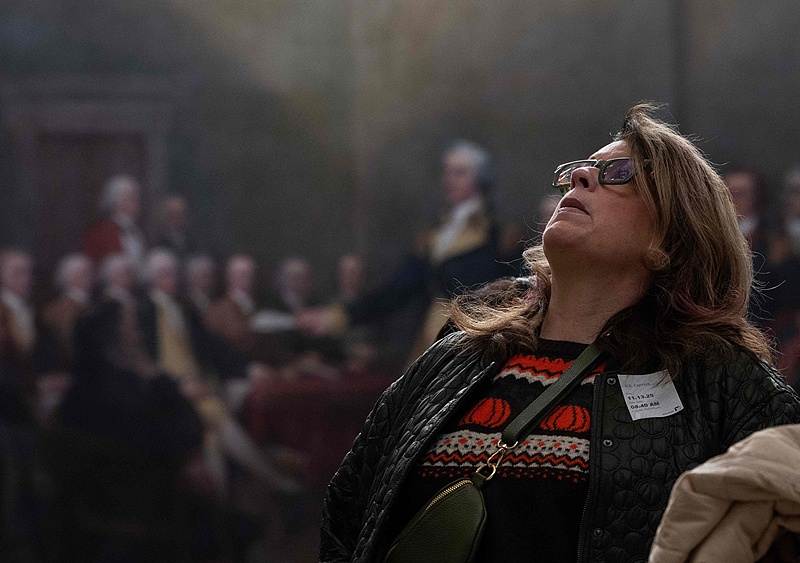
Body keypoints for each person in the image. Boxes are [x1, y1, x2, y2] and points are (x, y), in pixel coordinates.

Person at [319, 104, 800, 562]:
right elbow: (350, 509)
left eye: (620, 173)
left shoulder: (720, 380)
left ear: (672, 236)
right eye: (583, 168)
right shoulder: (461, 351)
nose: (582, 176)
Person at [297, 139, 506, 364]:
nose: (449, 179)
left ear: (480, 179)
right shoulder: (434, 236)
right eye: (446, 172)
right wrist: (337, 317)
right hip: (433, 336)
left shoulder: (496, 235)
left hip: (474, 342)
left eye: (460, 172)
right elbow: (396, 290)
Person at [82, 175, 146, 266]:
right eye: (131, 198)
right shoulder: (101, 233)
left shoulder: (136, 231)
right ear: (117, 202)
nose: (137, 203)